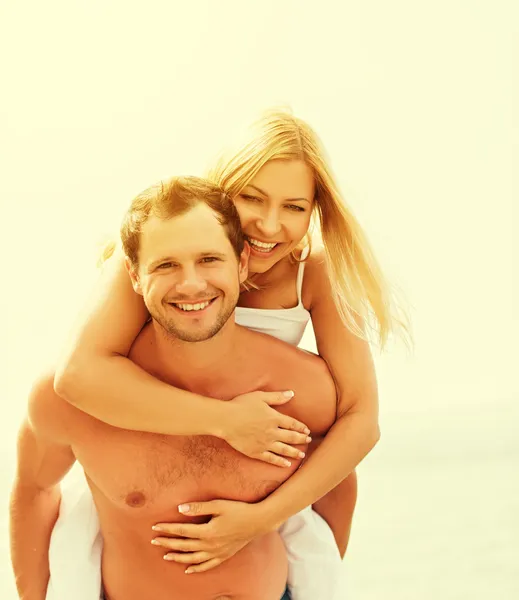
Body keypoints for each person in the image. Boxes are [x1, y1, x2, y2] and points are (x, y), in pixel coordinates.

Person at [48, 109, 407, 598]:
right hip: (146, 465)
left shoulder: (315, 272)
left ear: (315, 212)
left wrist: (260, 520)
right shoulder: (167, 254)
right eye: (251, 198)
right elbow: (77, 375)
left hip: (251, 476)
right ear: (223, 188)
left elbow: (360, 419)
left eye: (295, 207)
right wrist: (225, 421)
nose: (271, 224)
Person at [10, 176, 339, 600]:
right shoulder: (69, 400)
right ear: (133, 274)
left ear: (241, 264)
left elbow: (334, 485)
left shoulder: (300, 390)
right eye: (166, 265)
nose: (190, 284)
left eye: (208, 260)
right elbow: (34, 490)